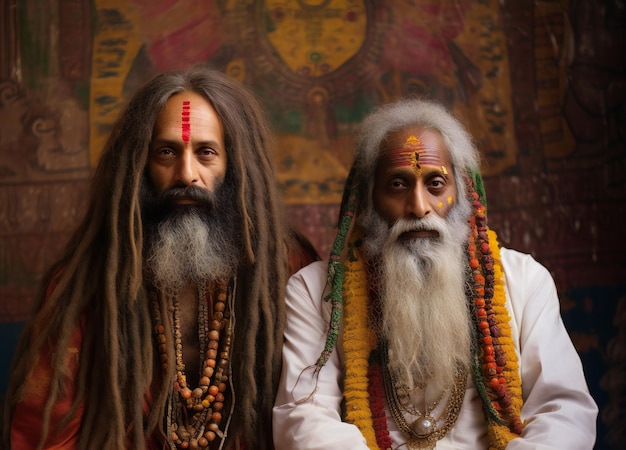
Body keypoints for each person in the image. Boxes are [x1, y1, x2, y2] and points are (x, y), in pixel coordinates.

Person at [3, 65, 317, 450]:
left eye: (206, 153)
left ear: (235, 166)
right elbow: (44, 434)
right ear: (139, 166)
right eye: (167, 152)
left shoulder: (288, 267)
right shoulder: (85, 281)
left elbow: (313, 417)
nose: (187, 174)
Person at [273, 99, 598, 449]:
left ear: (462, 194)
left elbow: (563, 411)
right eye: (397, 184)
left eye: (436, 184)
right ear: (369, 199)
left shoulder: (524, 279)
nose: (419, 206)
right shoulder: (315, 290)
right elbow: (303, 415)